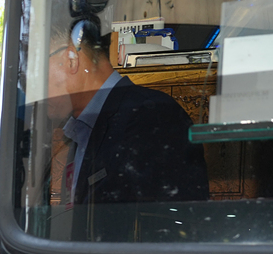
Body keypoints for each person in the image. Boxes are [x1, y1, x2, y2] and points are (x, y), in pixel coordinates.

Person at [47, 14, 209, 240]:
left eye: (35, 71)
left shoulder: (150, 118)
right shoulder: (83, 130)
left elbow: (157, 238)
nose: (32, 85)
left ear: (72, 60)